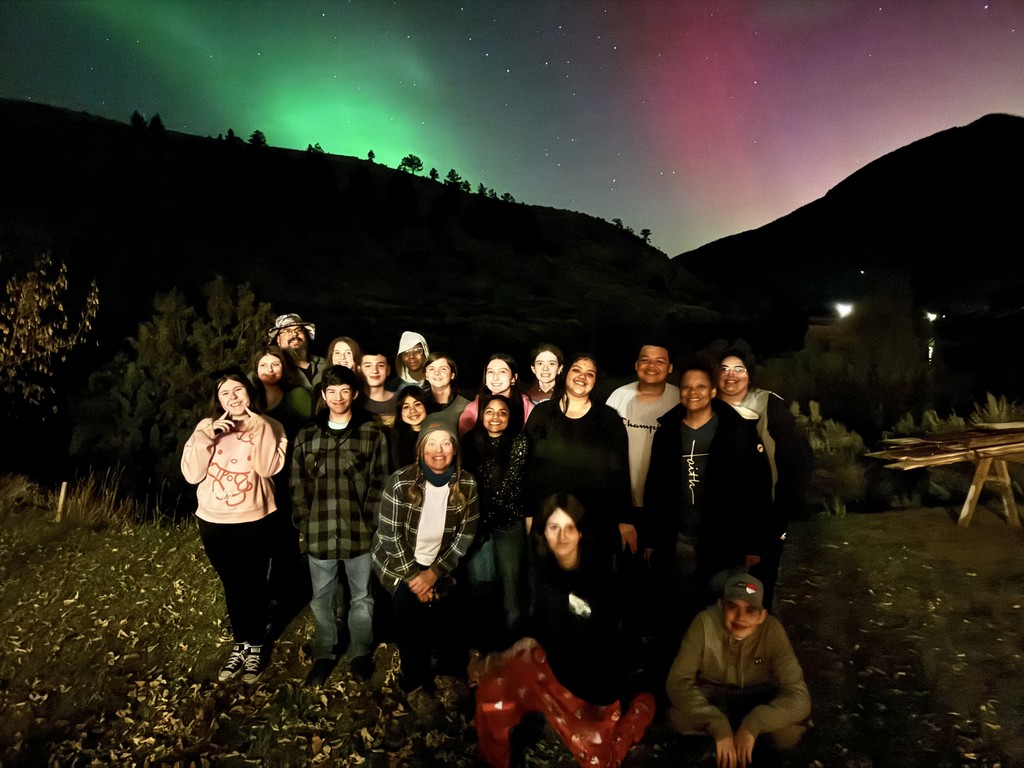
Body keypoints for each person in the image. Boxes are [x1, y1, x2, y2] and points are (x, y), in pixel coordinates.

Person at [470, 494, 655, 768]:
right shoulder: (544, 573)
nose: (562, 536)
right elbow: (543, 624)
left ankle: (636, 709)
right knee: (491, 694)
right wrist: (526, 644)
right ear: (543, 532)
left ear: (580, 533)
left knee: (600, 761)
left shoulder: (600, 576)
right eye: (554, 527)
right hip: (551, 671)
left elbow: (609, 641)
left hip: (592, 689)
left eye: (569, 527)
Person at [643, 357, 773, 672]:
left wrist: (754, 544)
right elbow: (655, 487)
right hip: (681, 539)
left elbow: (757, 488)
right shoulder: (669, 432)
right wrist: (652, 538)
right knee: (682, 608)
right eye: (687, 387)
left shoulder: (736, 431)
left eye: (701, 386)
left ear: (713, 390)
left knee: (723, 609)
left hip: (724, 540)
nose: (693, 393)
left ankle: (724, 672)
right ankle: (686, 670)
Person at [180, 372, 287, 683]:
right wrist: (208, 436)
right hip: (213, 521)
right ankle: (240, 643)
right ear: (219, 400)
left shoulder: (272, 426)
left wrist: (262, 427)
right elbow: (191, 474)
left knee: (254, 585)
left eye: (238, 390)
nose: (233, 397)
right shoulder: (205, 427)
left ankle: (255, 646)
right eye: (225, 393)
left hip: (255, 519)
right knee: (232, 584)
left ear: (250, 393)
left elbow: (267, 468)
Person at [291, 365, 390, 686]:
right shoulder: (307, 435)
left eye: (344, 391)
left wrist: (372, 523)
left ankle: (360, 652)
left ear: (355, 394)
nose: (337, 397)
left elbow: (380, 481)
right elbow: (297, 484)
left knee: (362, 597)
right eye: (331, 391)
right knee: (321, 598)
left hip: (359, 533)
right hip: (319, 532)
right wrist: (305, 523)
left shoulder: (372, 433)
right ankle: (324, 653)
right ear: (323, 395)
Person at [372, 423, 479, 692]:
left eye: (445, 443)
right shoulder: (401, 481)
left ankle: (447, 669)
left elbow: (465, 536)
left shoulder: (466, 484)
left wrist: (433, 574)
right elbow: (389, 535)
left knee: (447, 618)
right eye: (431, 443)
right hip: (400, 565)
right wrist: (414, 578)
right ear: (420, 450)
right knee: (408, 619)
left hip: (439, 566)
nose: (438, 451)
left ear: (455, 449)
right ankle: (413, 675)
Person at [666, 573, 810, 767]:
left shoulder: (772, 631)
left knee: (786, 734)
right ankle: (720, 745)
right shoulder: (704, 623)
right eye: (732, 607)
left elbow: (799, 697)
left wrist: (755, 723)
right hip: (714, 696)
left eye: (750, 610)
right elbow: (677, 681)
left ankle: (748, 745)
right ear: (720, 605)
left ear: (761, 616)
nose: (741, 617)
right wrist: (716, 722)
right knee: (678, 718)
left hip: (757, 697)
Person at [717, 348, 812, 612]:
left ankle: (758, 645)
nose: (731, 376)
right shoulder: (707, 405)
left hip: (764, 516)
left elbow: (796, 459)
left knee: (757, 589)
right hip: (721, 518)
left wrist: (782, 511)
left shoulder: (768, 405)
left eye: (739, 369)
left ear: (750, 374)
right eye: (724, 369)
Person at [523, 354, 634, 558]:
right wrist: (529, 514)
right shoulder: (542, 414)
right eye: (577, 370)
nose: (582, 376)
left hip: (596, 522)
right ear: (565, 374)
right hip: (548, 520)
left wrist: (625, 520)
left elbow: (621, 472)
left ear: (595, 381)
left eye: (589, 373)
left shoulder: (609, 419)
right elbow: (527, 467)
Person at [251, 345, 313, 638]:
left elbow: (301, 433)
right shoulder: (248, 398)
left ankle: (282, 595)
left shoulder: (296, 396)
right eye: (264, 364)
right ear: (256, 368)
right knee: (255, 542)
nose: (270, 369)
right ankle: (256, 599)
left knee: (285, 538)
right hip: (252, 479)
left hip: (286, 475)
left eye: (276, 364)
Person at [460, 394, 530, 650]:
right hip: (478, 527)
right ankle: (485, 647)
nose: (495, 417)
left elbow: (513, 482)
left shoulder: (519, 442)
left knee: (511, 585)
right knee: (481, 586)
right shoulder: (470, 441)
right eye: (489, 411)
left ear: (510, 417)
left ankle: (514, 649)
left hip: (509, 524)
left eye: (502, 412)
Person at [606, 343, 680, 532]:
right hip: (621, 501)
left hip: (664, 502)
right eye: (645, 360)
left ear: (670, 367)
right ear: (636, 364)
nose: (651, 366)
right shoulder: (619, 396)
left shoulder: (680, 399)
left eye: (660, 361)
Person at [458, 353, 535, 435]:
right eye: (490, 372)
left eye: (502, 372)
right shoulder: (474, 408)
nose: (495, 378)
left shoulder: (527, 408)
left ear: (513, 378)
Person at [268, 313, 323, 395]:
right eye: (287, 331)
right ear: (278, 340)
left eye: (299, 330)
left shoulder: (324, 365)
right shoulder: (270, 367)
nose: (294, 334)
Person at [423, 351, 471, 433]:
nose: (437, 373)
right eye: (431, 369)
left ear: (452, 375)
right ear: (426, 375)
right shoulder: (419, 403)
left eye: (443, 369)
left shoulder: (466, 405)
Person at [390, 386, 432, 469]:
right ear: (400, 412)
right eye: (406, 407)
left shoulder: (439, 434)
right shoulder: (393, 438)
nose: (412, 410)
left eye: (417, 404)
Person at [360, 346, 398, 426]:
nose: (374, 371)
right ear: (359, 370)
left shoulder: (400, 400)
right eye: (368, 366)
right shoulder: (354, 400)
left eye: (380, 365)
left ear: (388, 370)